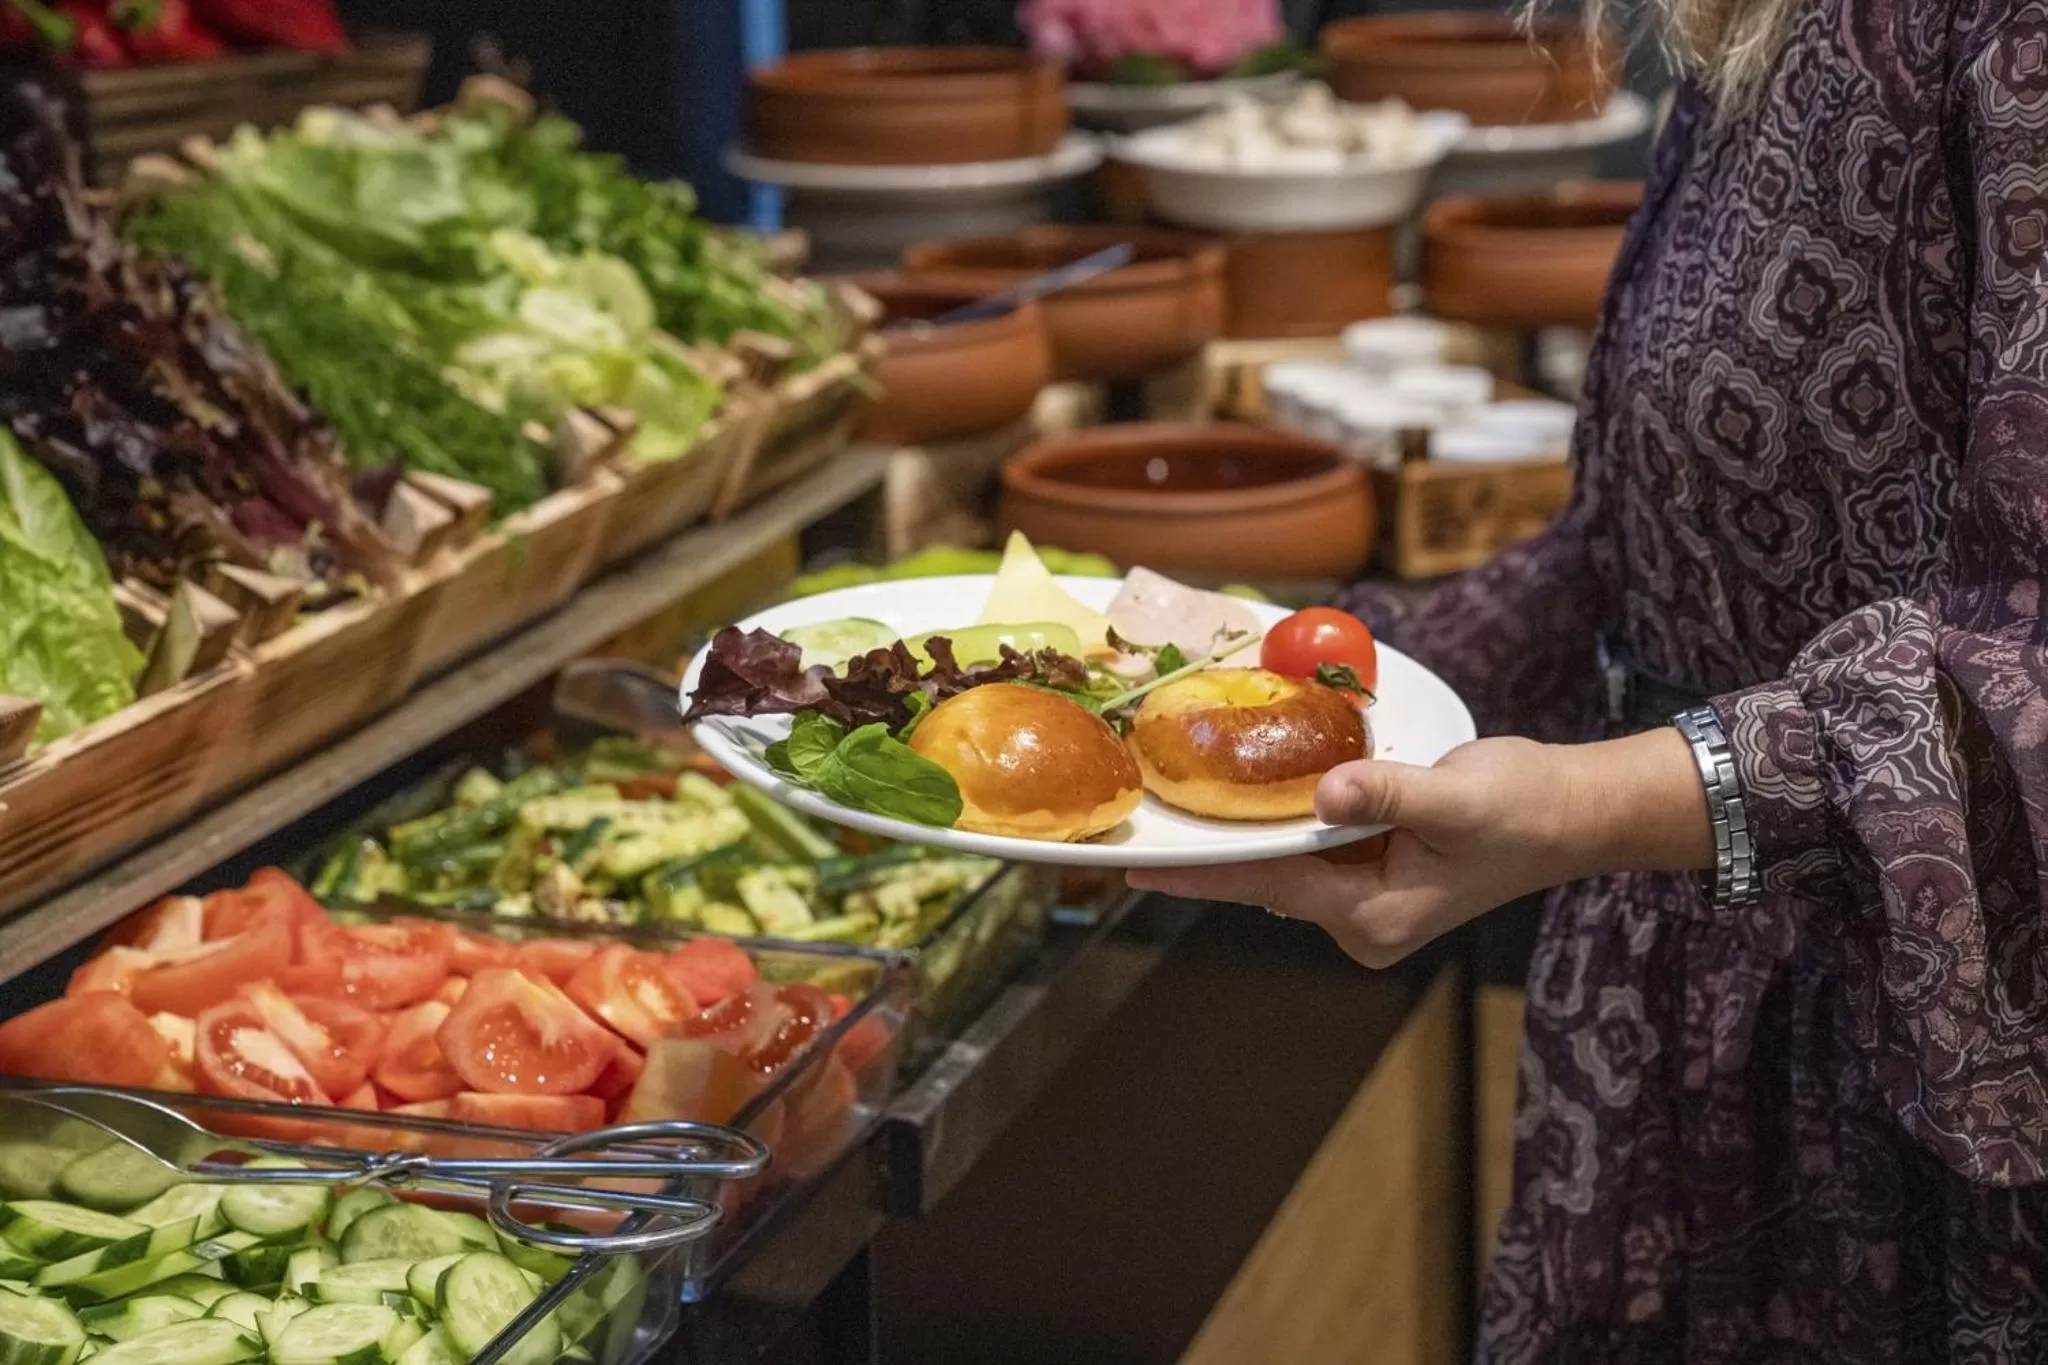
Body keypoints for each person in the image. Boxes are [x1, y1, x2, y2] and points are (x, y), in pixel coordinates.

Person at [1131, 1, 2048, 1360]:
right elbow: (1642, 560)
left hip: (1913, 1074)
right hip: (1685, 1033)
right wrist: (1314, 668)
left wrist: (1582, 808)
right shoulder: (1762, 31)